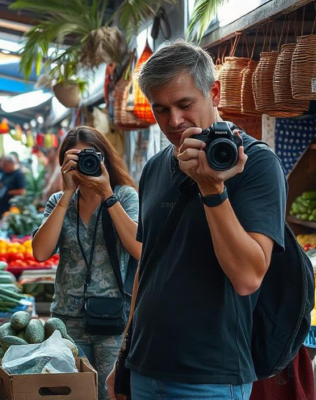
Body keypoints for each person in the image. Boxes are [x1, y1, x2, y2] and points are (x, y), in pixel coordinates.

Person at [107, 40, 286, 400]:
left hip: (210, 378)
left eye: (185, 104)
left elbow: (248, 277)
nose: (174, 121)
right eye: (161, 110)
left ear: (214, 93)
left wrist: (211, 187)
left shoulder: (255, 164)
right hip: (145, 367)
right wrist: (123, 356)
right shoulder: (156, 167)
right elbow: (149, 265)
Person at [32, 127, 140, 400]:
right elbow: (41, 252)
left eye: (91, 156)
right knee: (72, 394)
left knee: (111, 394)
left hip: (113, 318)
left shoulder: (124, 196)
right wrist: (67, 193)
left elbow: (138, 247)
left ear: (105, 158)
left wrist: (107, 193)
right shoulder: (59, 202)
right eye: (76, 157)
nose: (85, 163)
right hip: (67, 320)